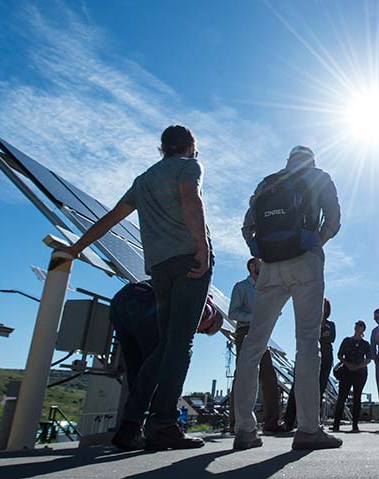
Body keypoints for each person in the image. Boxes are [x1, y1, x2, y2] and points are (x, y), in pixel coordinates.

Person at [62, 125, 213, 451]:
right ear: (190, 146)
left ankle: (130, 424)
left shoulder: (143, 180)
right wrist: (202, 246)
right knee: (179, 344)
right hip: (189, 260)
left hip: (158, 267)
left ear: (162, 148)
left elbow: (112, 217)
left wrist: (77, 246)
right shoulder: (190, 166)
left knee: (164, 347)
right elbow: (191, 199)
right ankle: (163, 424)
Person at [233, 145, 342, 451]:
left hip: (269, 268)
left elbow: (247, 228)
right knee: (307, 342)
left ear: (288, 162)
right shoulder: (320, 177)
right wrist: (313, 243)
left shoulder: (268, 182)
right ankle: (308, 429)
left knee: (254, 344)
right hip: (305, 260)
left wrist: (264, 253)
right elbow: (333, 220)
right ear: (312, 161)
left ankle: (244, 429)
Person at [108, 281, 223, 449]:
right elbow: (203, 313)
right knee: (164, 362)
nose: (199, 331)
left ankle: (132, 428)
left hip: (121, 302)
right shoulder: (208, 307)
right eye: (205, 330)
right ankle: (155, 427)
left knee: (138, 368)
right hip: (146, 303)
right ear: (212, 320)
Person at [228, 258, 283, 434]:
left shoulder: (266, 288)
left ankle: (271, 422)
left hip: (263, 333)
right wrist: (257, 317)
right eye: (261, 263)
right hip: (245, 332)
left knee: (269, 376)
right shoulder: (241, 287)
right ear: (252, 266)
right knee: (243, 374)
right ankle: (236, 422)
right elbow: (233, 312)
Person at [284, 298, 336, 431]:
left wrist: (321, 332)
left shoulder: (331, 324)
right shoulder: (309, 321)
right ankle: (289, 421)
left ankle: (313, 421)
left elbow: (330, 338)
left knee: (319, 388)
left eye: (324, 306)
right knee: (298, 386)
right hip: (309, 355)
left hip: (325, 357)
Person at [332, 320, 372, 433]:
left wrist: (358, 366)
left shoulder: (365, 344)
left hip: (360, 373)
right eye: (356, 324)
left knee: (357, 397)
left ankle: (355, 425)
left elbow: (368, 359)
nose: (357, 326)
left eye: (360, 325)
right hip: (346, 371)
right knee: (342, 397)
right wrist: (348, 364)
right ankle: (336, 424)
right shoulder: (346, 341)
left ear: (363, 329)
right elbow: (340, 355)